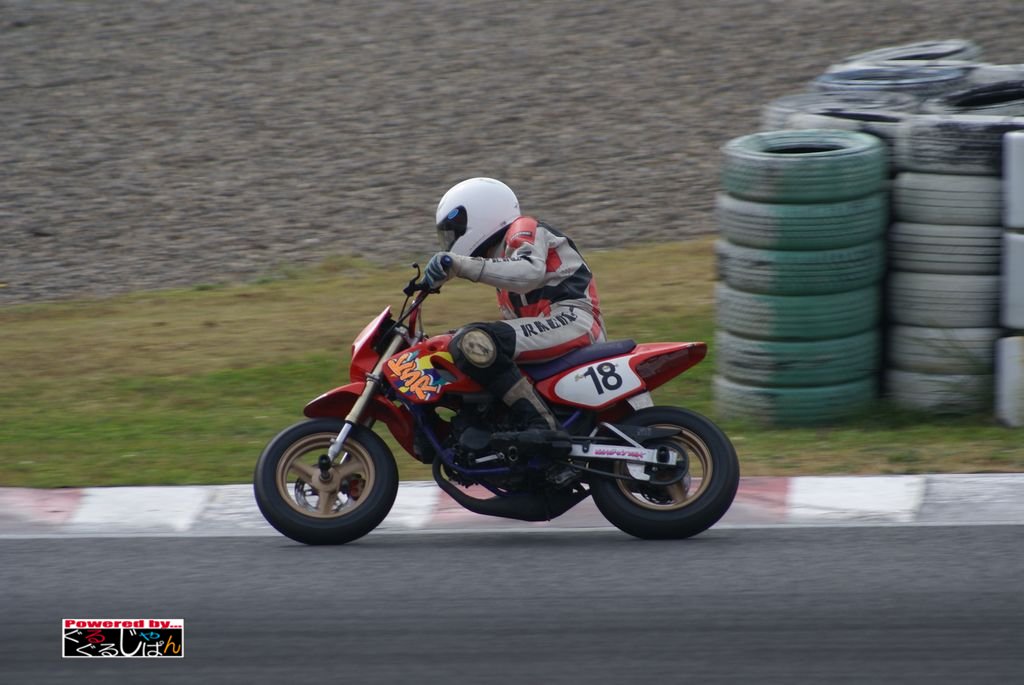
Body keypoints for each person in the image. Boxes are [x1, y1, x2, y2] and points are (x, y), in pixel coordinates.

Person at [423, 177, 606, 433]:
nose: (451, 241)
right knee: (461, 343)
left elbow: (529, 272)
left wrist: (459, 264)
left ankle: (542, 426)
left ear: (480, 213)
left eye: (453, 231)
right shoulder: (501, 261)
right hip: (555, 327)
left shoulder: (523, 228)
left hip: (573, 320)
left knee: (472, 341)